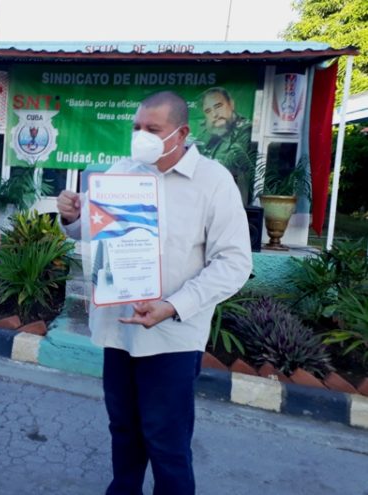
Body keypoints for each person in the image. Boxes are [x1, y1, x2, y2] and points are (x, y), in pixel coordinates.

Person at [57, 91, 252, 495]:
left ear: (181, 133)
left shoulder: (213, 182)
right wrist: (72, 216)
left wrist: (173, 306)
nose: (140, 136)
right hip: (119, 329)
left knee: (166, 441)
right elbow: (91, 230)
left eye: (152, 128)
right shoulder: (123, 172)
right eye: (136, 127)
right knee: (123, 429)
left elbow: (234, 262)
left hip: (171, 337)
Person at [194, 87, 253, 170]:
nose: (214, 114)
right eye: (208, 111)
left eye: (218, 106)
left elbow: (231, 165)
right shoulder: (206, 133)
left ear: (231, 104)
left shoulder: (246, 130)